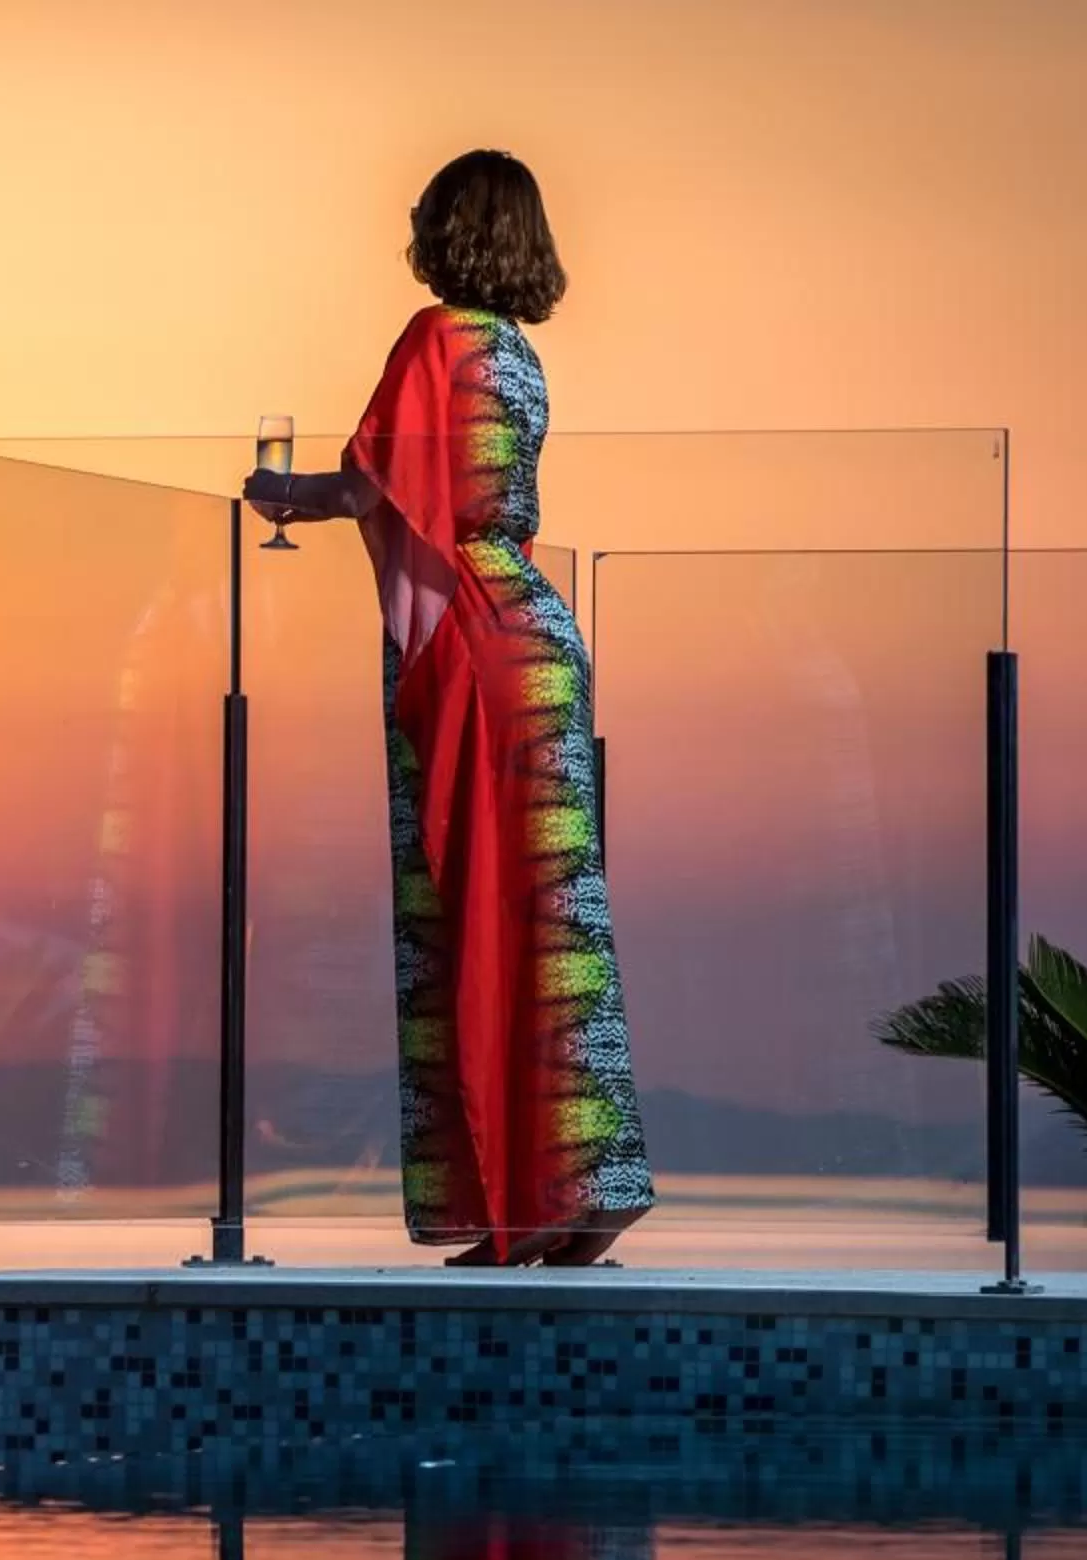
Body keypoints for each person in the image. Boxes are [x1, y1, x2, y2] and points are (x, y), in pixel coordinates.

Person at [244, 149, 653, 1266]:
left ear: (446, 229)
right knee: (559, 919)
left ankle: (520, 1211)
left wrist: (281, 495)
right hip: (541, 635)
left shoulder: (436, 338)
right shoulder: (519, 358)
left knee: (476, 920)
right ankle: (586, 1190)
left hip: (476, 638)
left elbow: (372, 489)